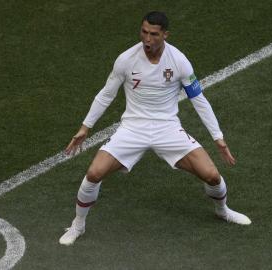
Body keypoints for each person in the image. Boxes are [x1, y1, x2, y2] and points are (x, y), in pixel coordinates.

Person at [59, 11, 251, 246]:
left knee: (212, 175)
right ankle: (78, 225)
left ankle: (222, 211)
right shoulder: (126, 59)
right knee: (94, 173)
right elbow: (106, 94)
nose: (147, 39)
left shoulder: (179, 61)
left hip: (167, 128)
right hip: (132, 128)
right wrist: (85, 128)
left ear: (165, 35)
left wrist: (218, 137)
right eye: (144, 32)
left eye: (153, 34)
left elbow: (198, 99)